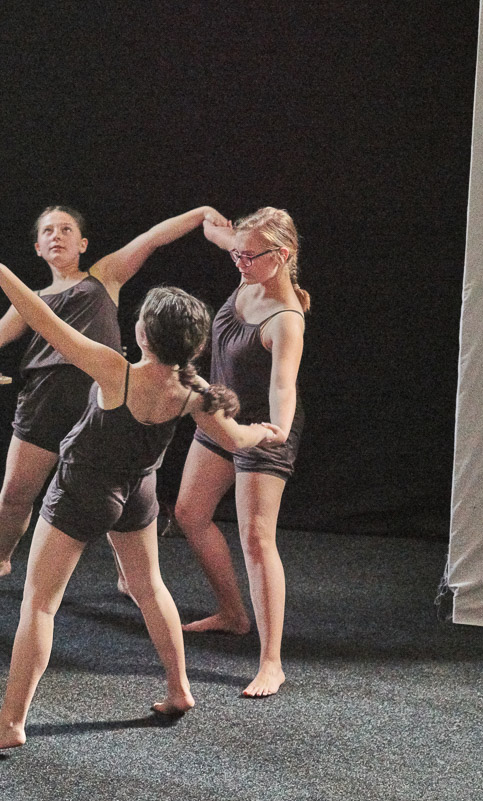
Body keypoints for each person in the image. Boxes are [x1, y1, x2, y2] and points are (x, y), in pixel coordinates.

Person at [0, 265, 281, 753]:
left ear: (143, 335)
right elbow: (237, 439)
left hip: (84, 492)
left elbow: (43, 319)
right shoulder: (192, 393)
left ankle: (10, 722)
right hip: (138, 492)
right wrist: (264, 432)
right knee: (148, 586)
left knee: (40, 605)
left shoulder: (117, 372)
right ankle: (178, 689)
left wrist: (3, 274)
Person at [0, 204, 222, 598]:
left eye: (66, 229)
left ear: (83, 244)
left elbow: (152, 238)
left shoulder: (104, 277)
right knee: (15, 493)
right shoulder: (32, 300)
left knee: (115, 493)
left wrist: (200, 214)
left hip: (103, 407)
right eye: (48, 231)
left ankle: (130, 575)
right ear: (37, 248)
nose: (56, 236)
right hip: (43, 403)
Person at [173, 207, 309, 699]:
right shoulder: (247, 263)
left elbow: (283, 386)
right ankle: (233, 614)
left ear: (282, 256)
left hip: (264, 428)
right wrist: (202, 216)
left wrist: (279, 430)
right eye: (237, 255)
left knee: (256, 538)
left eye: (249, 257)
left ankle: (272, 662)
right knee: (189, 513)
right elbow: (217, 232)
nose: (240, 263)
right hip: (222, 418)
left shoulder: (285, 319)